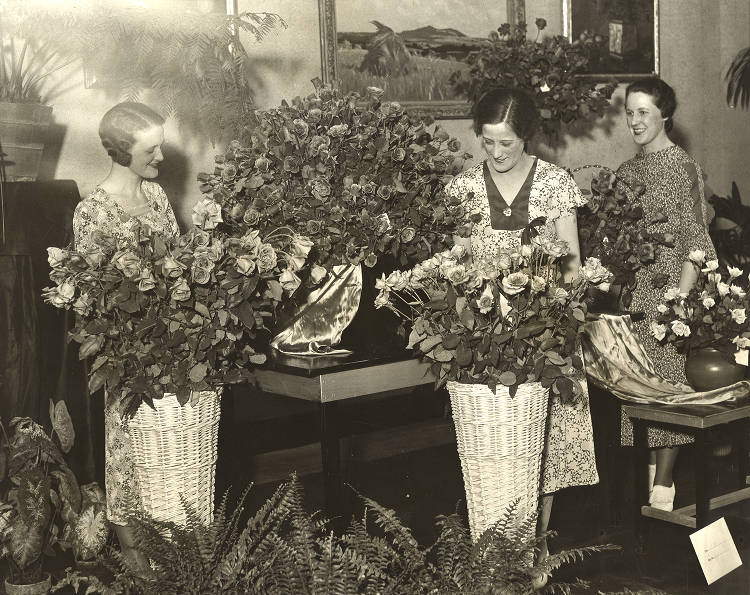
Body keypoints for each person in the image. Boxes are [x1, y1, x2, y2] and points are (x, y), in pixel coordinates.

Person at [445, 87, 598, 573]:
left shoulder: (555, 183)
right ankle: (494, 548)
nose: (496, 153)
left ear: (526, 136)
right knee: (494, 446)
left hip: (545, 336)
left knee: (545, 444)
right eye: (487, 142)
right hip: (486, 343)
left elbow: (571, 265)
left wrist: (558, 319)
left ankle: (536, 546)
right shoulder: (465, 189)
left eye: (506, 142)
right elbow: (457, 266)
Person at [73, 102, 179, 570]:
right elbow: (87, 300)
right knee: (129, 457)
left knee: (172, 457)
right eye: (150, 149)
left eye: (161, 145)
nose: (161, 156)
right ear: (120, 150)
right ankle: (139, 570)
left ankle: (177, 565)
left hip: (173, 350)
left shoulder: (157, 199)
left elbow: (179, 268)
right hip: (127, 357)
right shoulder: (92, 213)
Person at [616, 78, 716, 512]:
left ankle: (666, 480)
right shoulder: (626, 171)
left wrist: (682, 296)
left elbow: (696, 236)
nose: (634, 120)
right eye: (630, 112)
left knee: (670, 386)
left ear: (664, 115)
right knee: (643, 387)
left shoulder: (680, 166)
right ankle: (656, 482)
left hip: (673, 292)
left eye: (643, 112)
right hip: (638, 292)